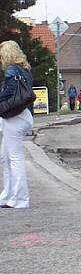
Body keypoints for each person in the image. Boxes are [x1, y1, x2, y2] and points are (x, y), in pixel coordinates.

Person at [0, 40, 35, 208]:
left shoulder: (11, 70)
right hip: (22, 114)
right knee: (6, 157)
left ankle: (20, 198)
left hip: (15, 117)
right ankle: (8, 196)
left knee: (14, 158)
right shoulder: (25, 70)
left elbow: (10, 92)